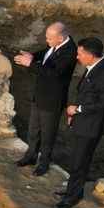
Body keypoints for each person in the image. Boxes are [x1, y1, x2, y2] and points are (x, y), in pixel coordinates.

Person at [56, 37, 104, 208]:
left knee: (80, 161)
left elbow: (103, 104)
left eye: (80, 53)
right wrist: (74, 114)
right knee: (76, 158)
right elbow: (86, 94)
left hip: (91, 127)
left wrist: (77, 110)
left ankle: (73, 197)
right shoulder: (93, 67)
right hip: (82, 122)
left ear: (91, 55)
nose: (77, 57)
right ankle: (73, 190)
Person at [13, 22, 77, 176]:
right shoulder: (55, 44)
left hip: (52, 100)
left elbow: (53, 73)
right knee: (33, 129)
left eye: (49, 38)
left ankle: (44, 163)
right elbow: (46, 53)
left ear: (60, 38)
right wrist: (33, 56)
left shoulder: (70, 52)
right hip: (40, 95)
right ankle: (31, 156)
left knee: (48, 134)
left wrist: (31, 64)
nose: (46, 41)